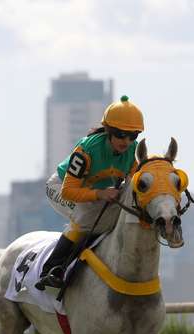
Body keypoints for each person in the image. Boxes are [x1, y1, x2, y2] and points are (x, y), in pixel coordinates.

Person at [35, 95, 144, 290]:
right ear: (109, 131)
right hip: (60, 187)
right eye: (120, 134)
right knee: (85, 218)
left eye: (133, 135)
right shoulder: (87, 149)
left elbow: (132, 185)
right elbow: (69, 191)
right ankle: (52, 270)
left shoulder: (132, 152)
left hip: (94, 191)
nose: (126, 141)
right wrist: (101, 195)